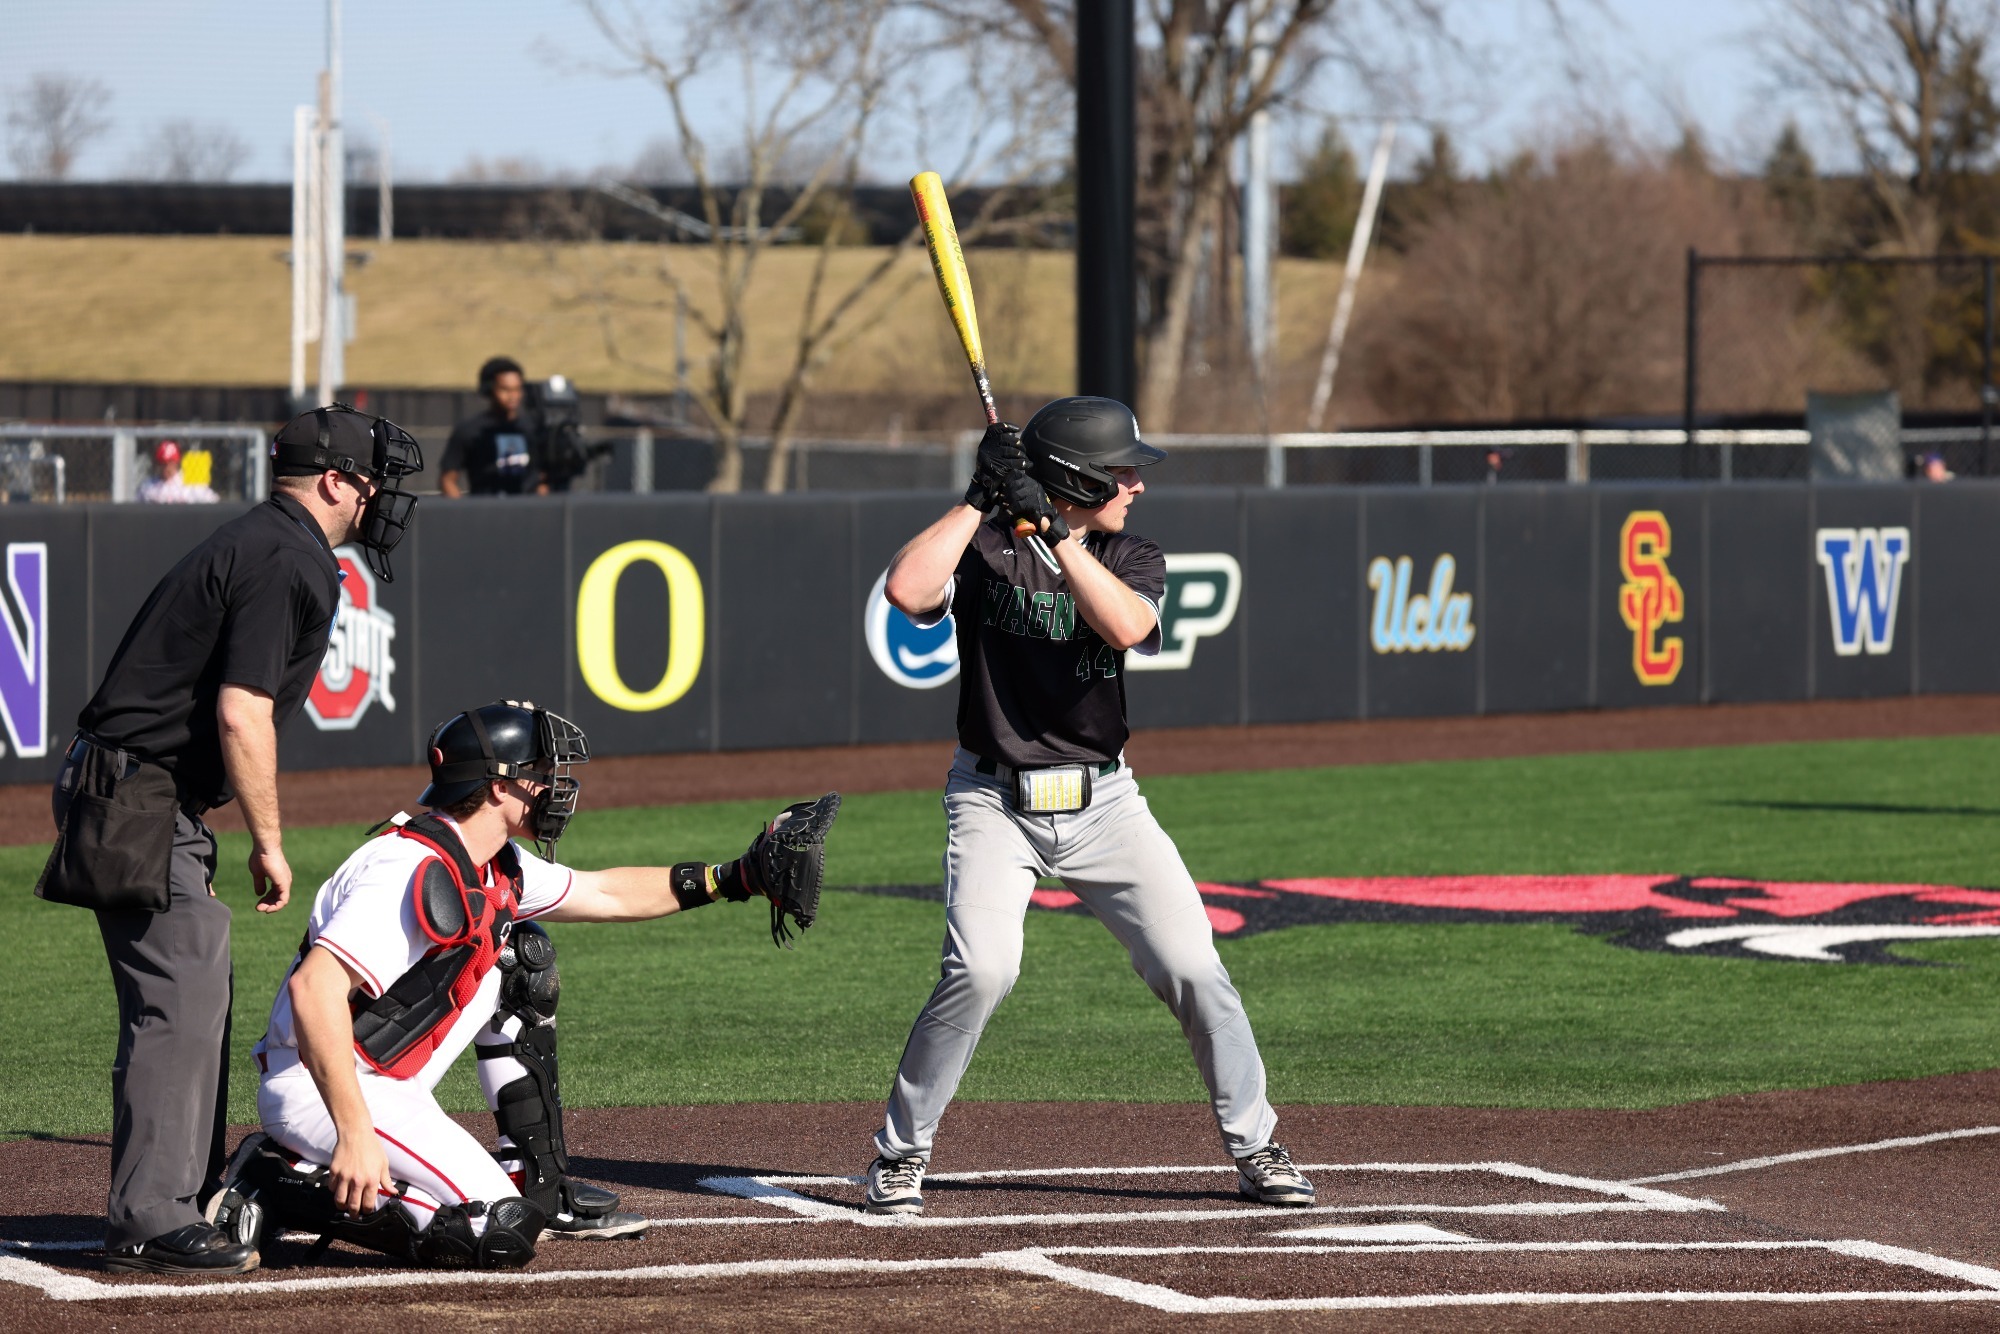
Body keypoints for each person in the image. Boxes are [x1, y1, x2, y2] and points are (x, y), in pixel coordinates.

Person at [861, 397, 1314, 1215]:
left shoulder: (1131, 553)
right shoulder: (985, 548)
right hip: (992, 802)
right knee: (982, 969)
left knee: (1192, 969)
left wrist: (1058, 532)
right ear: (1075, 475)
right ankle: (900, 1153)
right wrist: (977, 499)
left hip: (1108, 803)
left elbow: (1127, 627)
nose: (1136, 483)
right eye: (1121, 471)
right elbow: (906, 589)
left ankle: (1257, 1146)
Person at [204, 701, 838, 1271]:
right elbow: (314, 991)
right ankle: (275, 1178)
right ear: (500, 786)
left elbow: (605, 892)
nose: (558, 788)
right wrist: (354, 1132)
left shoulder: (494, 861)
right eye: (544, 774)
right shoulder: (407, 869)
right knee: (496, 1233)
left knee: (518, 961)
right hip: (323, 1086)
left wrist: (735, 877)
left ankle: (537, 1179)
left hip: (386, 1075)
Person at [39, 404, 423, 1275]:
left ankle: (184, 1194)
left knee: (197, 974)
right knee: (178, 994)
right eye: (372, 482)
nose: (381, 500)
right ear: (334, 482)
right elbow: (244, 713)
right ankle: (148, 1216)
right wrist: (269, 842)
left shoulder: (267, 541)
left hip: (144, 792)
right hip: (135, 793)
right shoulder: (288, 556)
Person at [441, 356, 547, 497]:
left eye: (517, 389)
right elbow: (448, 480)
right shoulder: (470, 430)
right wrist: (463, 514)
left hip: (527, 512)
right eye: (505, 389)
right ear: (489, 390)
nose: (512, 396)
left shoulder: (532, 429)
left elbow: (543, 479)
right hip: (485, 512)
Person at [137, 440, 220, 504]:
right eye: (163, 463)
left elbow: (213, 500)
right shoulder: (148, 486)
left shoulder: (189, 483)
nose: (166, 467)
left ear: (176, 463)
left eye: (170, 463)